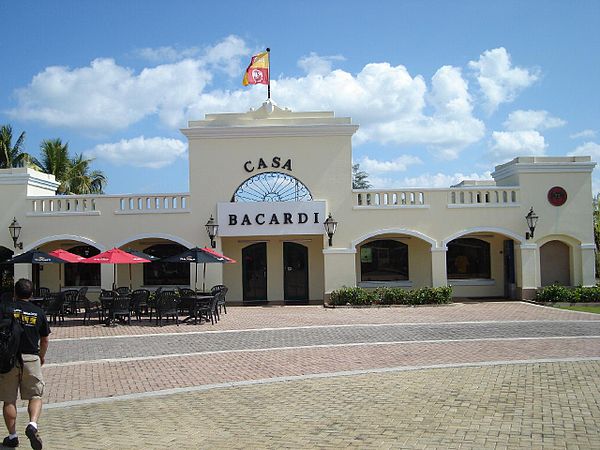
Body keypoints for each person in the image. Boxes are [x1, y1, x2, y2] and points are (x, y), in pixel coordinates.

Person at [0, 279, 50, 450]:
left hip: (9, 359)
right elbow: (44, 340)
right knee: (35, 395)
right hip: (31, 357)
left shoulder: (5, 309)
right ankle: (32, 425)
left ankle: (12, 436)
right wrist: (41, 357)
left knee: (8, 400)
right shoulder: (38, 312)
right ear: (31, 294)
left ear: (14, 293)